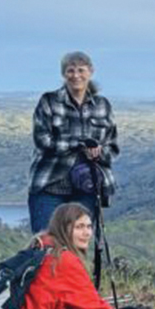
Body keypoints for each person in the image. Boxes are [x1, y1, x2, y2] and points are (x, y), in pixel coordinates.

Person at [7, 203, 140, 309]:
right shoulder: (63, 260)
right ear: (64, 229)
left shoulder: (37, 249)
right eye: (79, 227)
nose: (87, 233)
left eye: (88, 226)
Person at [28, 51, 119, 238]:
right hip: (50, 185)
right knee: (46, 244)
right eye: (70, 70)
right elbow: (42, 140)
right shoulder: (49, 101)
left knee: (76, 247)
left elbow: (113, 147)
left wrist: (99, 152)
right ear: (64, 74)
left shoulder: (102, 105)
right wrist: (78, 144)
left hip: (87, 188)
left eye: (81, 70)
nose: (76, 75)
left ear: (90, 71)